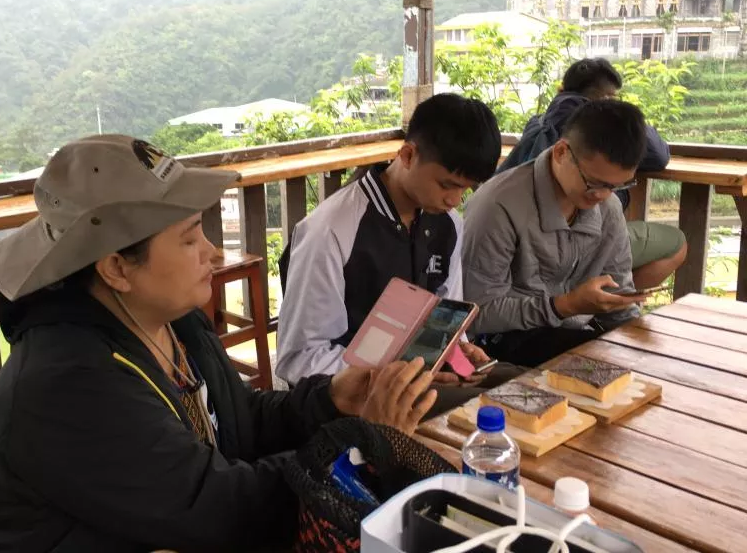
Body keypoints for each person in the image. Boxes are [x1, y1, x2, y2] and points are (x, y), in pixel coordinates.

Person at [0, 135, 439, 552]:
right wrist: (364, 443)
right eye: (189, 239)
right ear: (116, 268)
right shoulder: (69, 384)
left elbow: (238, 419)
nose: (213, 252)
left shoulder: (171, 322)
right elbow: (223, 511)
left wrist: (330, 401)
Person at [277, 93, 521, 411]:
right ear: (407, 155)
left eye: (465, 188)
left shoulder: (448, 225)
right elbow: (299, 359)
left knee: (523, 384)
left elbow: (445, 316)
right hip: (354, 397)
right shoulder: (330, 231)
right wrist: (396, 374)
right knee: (495, 411)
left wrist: (456, 351)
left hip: (416, 377)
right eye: (447, 185)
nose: (454, 200)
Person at [462, 99, 648, 367]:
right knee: (597, 364)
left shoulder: (608, 207)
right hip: (500, 342)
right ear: (561, 152)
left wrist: (642, 343)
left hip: (571, 333)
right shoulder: (498, 205)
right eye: (593, 183)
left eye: (616, 186)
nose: (602, 195)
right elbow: (474, 313)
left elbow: (619, 294)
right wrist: (565, 305)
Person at [497, 58, 687, 291]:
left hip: (523, 247)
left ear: (561, 90)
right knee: (676, 243)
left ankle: (593, 299)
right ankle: (597, 301)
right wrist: (624, 117)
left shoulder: (538, 122)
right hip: (567, 246)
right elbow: (658, 155)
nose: (603, 193)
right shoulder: (600, 130)